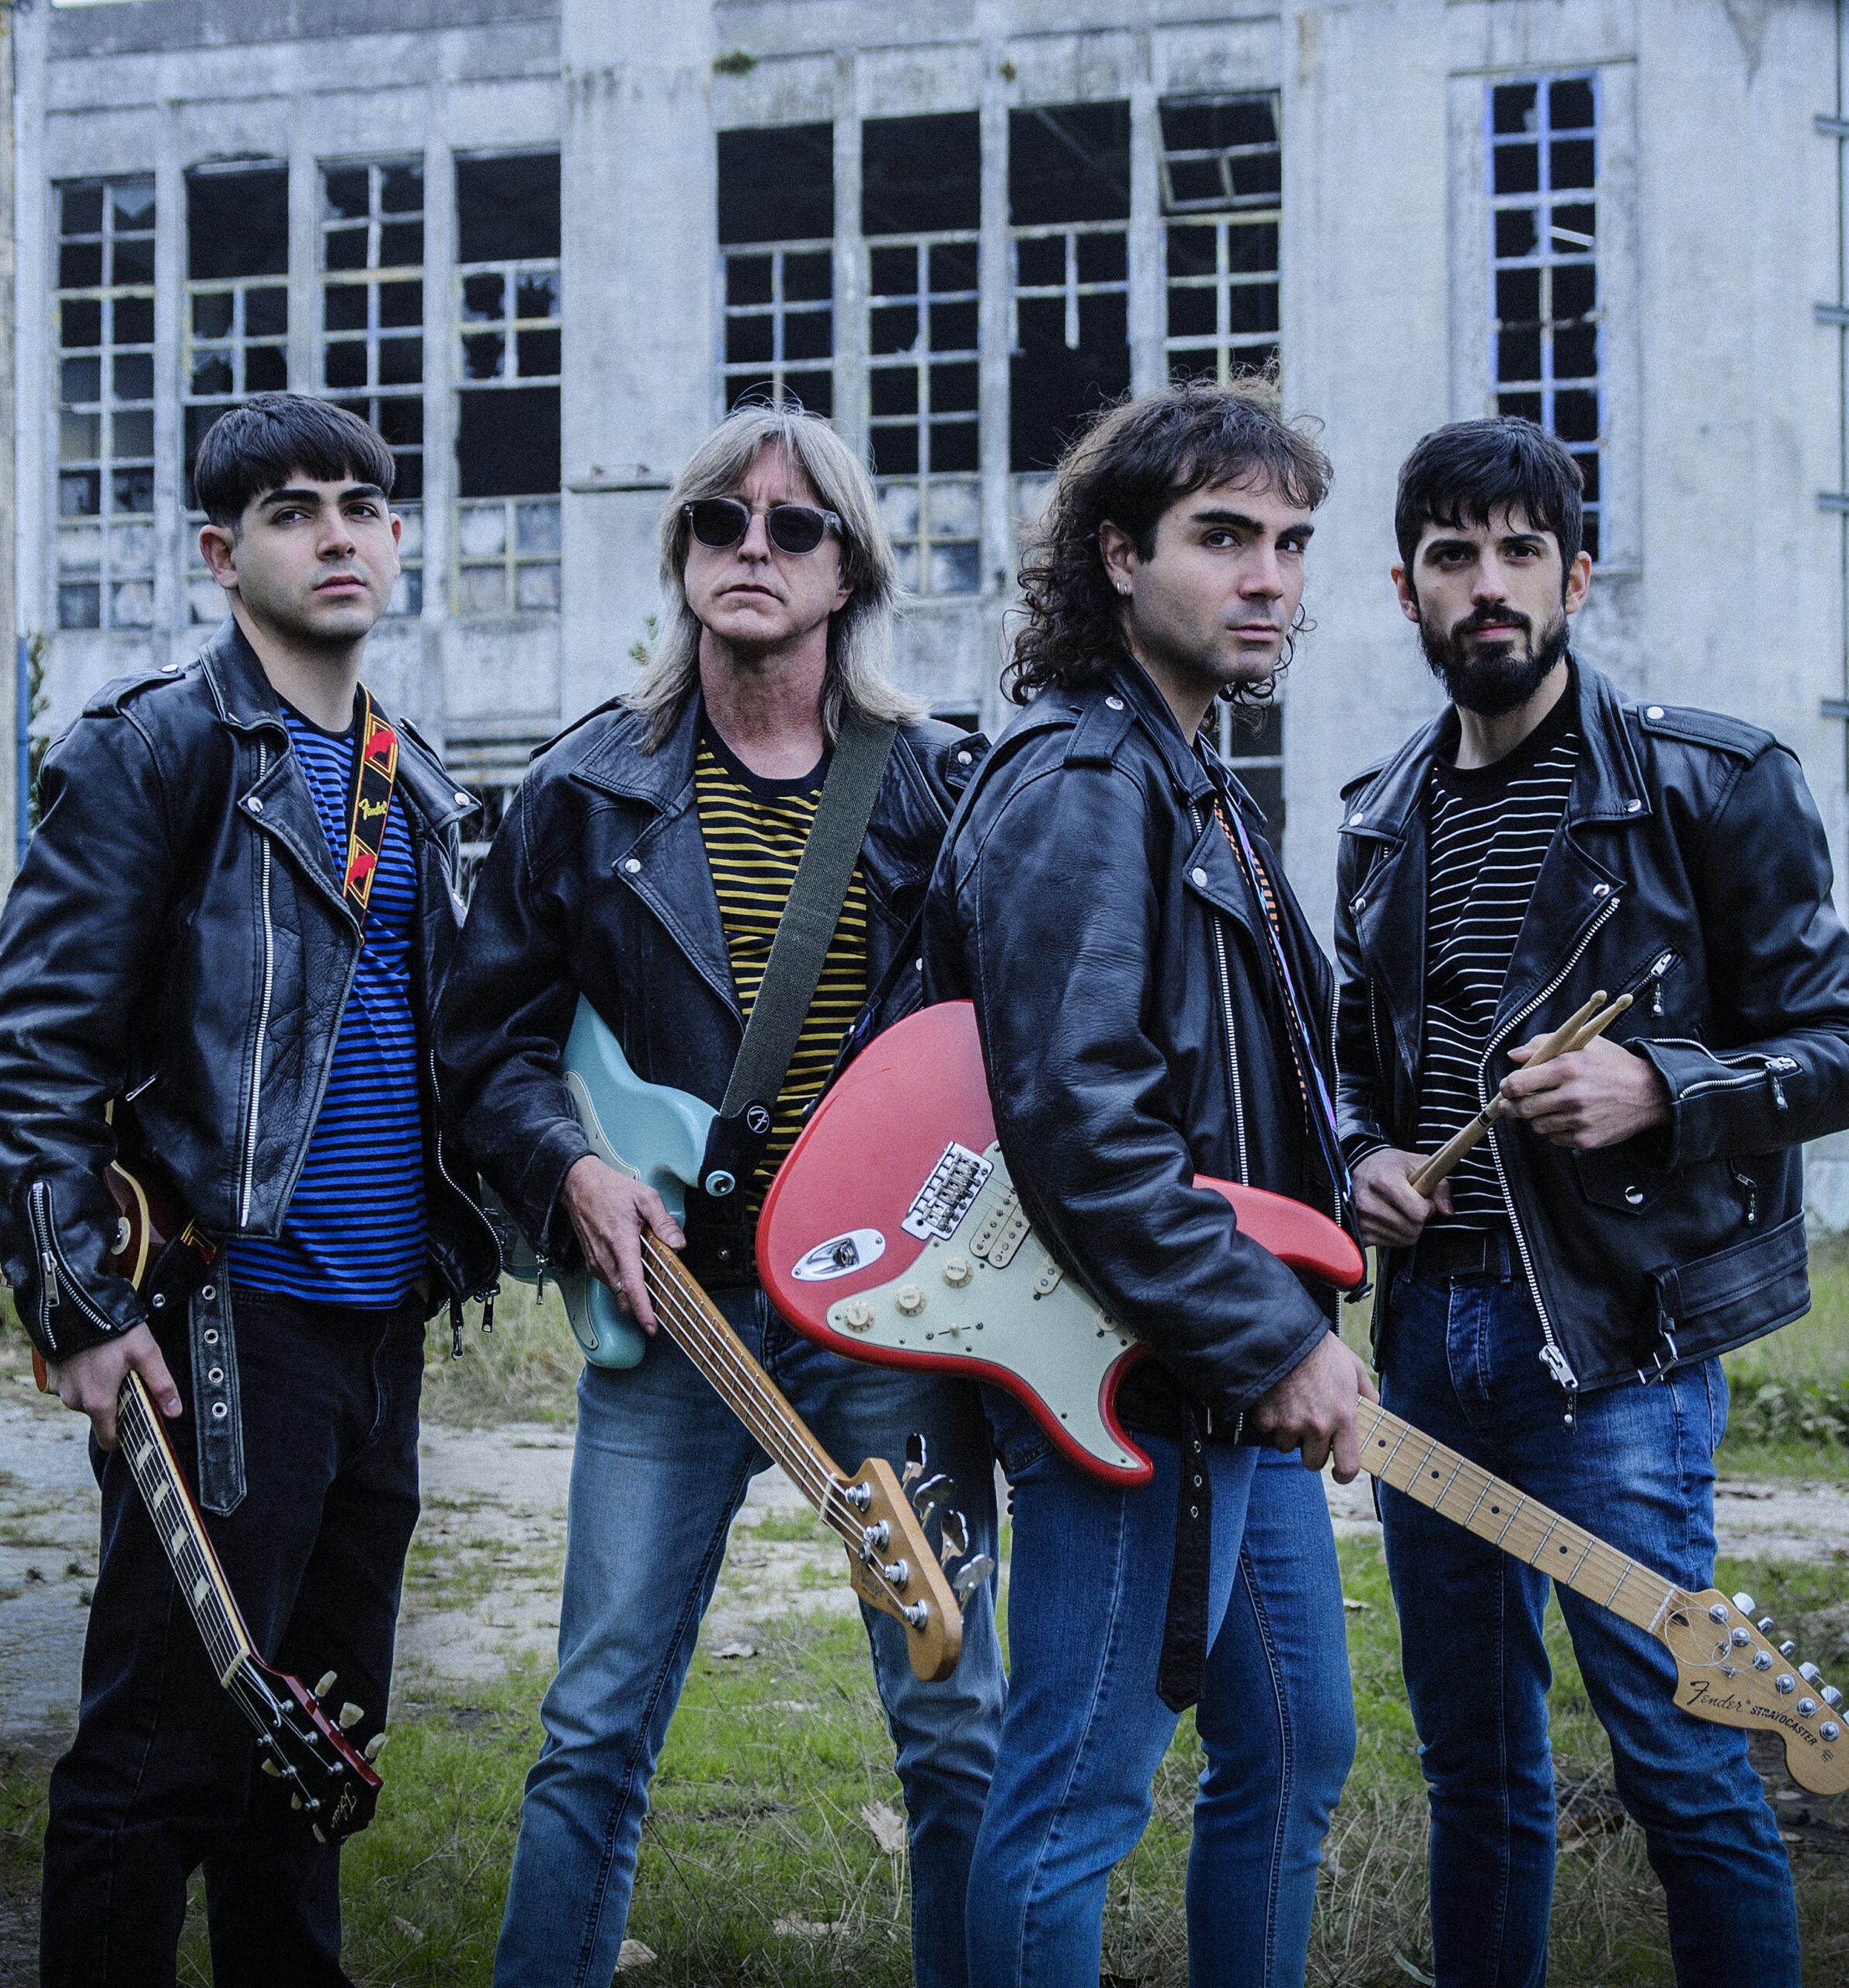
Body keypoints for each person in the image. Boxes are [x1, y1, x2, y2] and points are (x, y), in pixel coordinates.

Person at [435, 401, 1004, 1988]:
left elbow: (1007, 1055)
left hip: (890, 1316)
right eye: (718, 520)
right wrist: (570, 1165)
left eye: (793, 524)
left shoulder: (941, 788)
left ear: (849, 568)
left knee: (957, 1722)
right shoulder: (582, 787)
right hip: (676, 1313)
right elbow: (481, 1045)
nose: (752, 547)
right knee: (593, 1724)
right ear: (680, 551)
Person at [1335, 415, 1849, 1987]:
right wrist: (1359, 1155)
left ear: (1573, 576)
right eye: (1451, 557)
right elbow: (1352, 1067)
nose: (1486, 585)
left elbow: (1834, 1039)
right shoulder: (1378, 814)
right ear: (1407, 589)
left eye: (1519, 553)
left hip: (1616, 1343)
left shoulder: (1715, 781)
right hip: (1426, 1341)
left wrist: (1665, 1089)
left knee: (1680, 1754)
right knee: (1474, 1768)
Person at [0, 392, 499, 1986]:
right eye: (292, 510)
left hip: (377, 1331)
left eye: (361, 504)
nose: (336, 533)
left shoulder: (416, 781)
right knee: (159, 1755)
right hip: (224, 1317)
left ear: (397, 536)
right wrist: (78, 1306)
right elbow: (34, 1048)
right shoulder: (153, 749)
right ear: (223, 555)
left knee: (313, 1752)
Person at [923, 378, 1368, 1988]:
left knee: (1297, 1742)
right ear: (1119, 556)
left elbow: (1224, 1081)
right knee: (1072, 1802)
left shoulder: (1190, 777)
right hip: (1139, 1374)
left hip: (1216, 1363)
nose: (1267, 579)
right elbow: (1084, 1126)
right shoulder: (1086, 784)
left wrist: (1344, 1187)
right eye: (1223, 537)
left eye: (1291, 545)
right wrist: (1271, 1335)